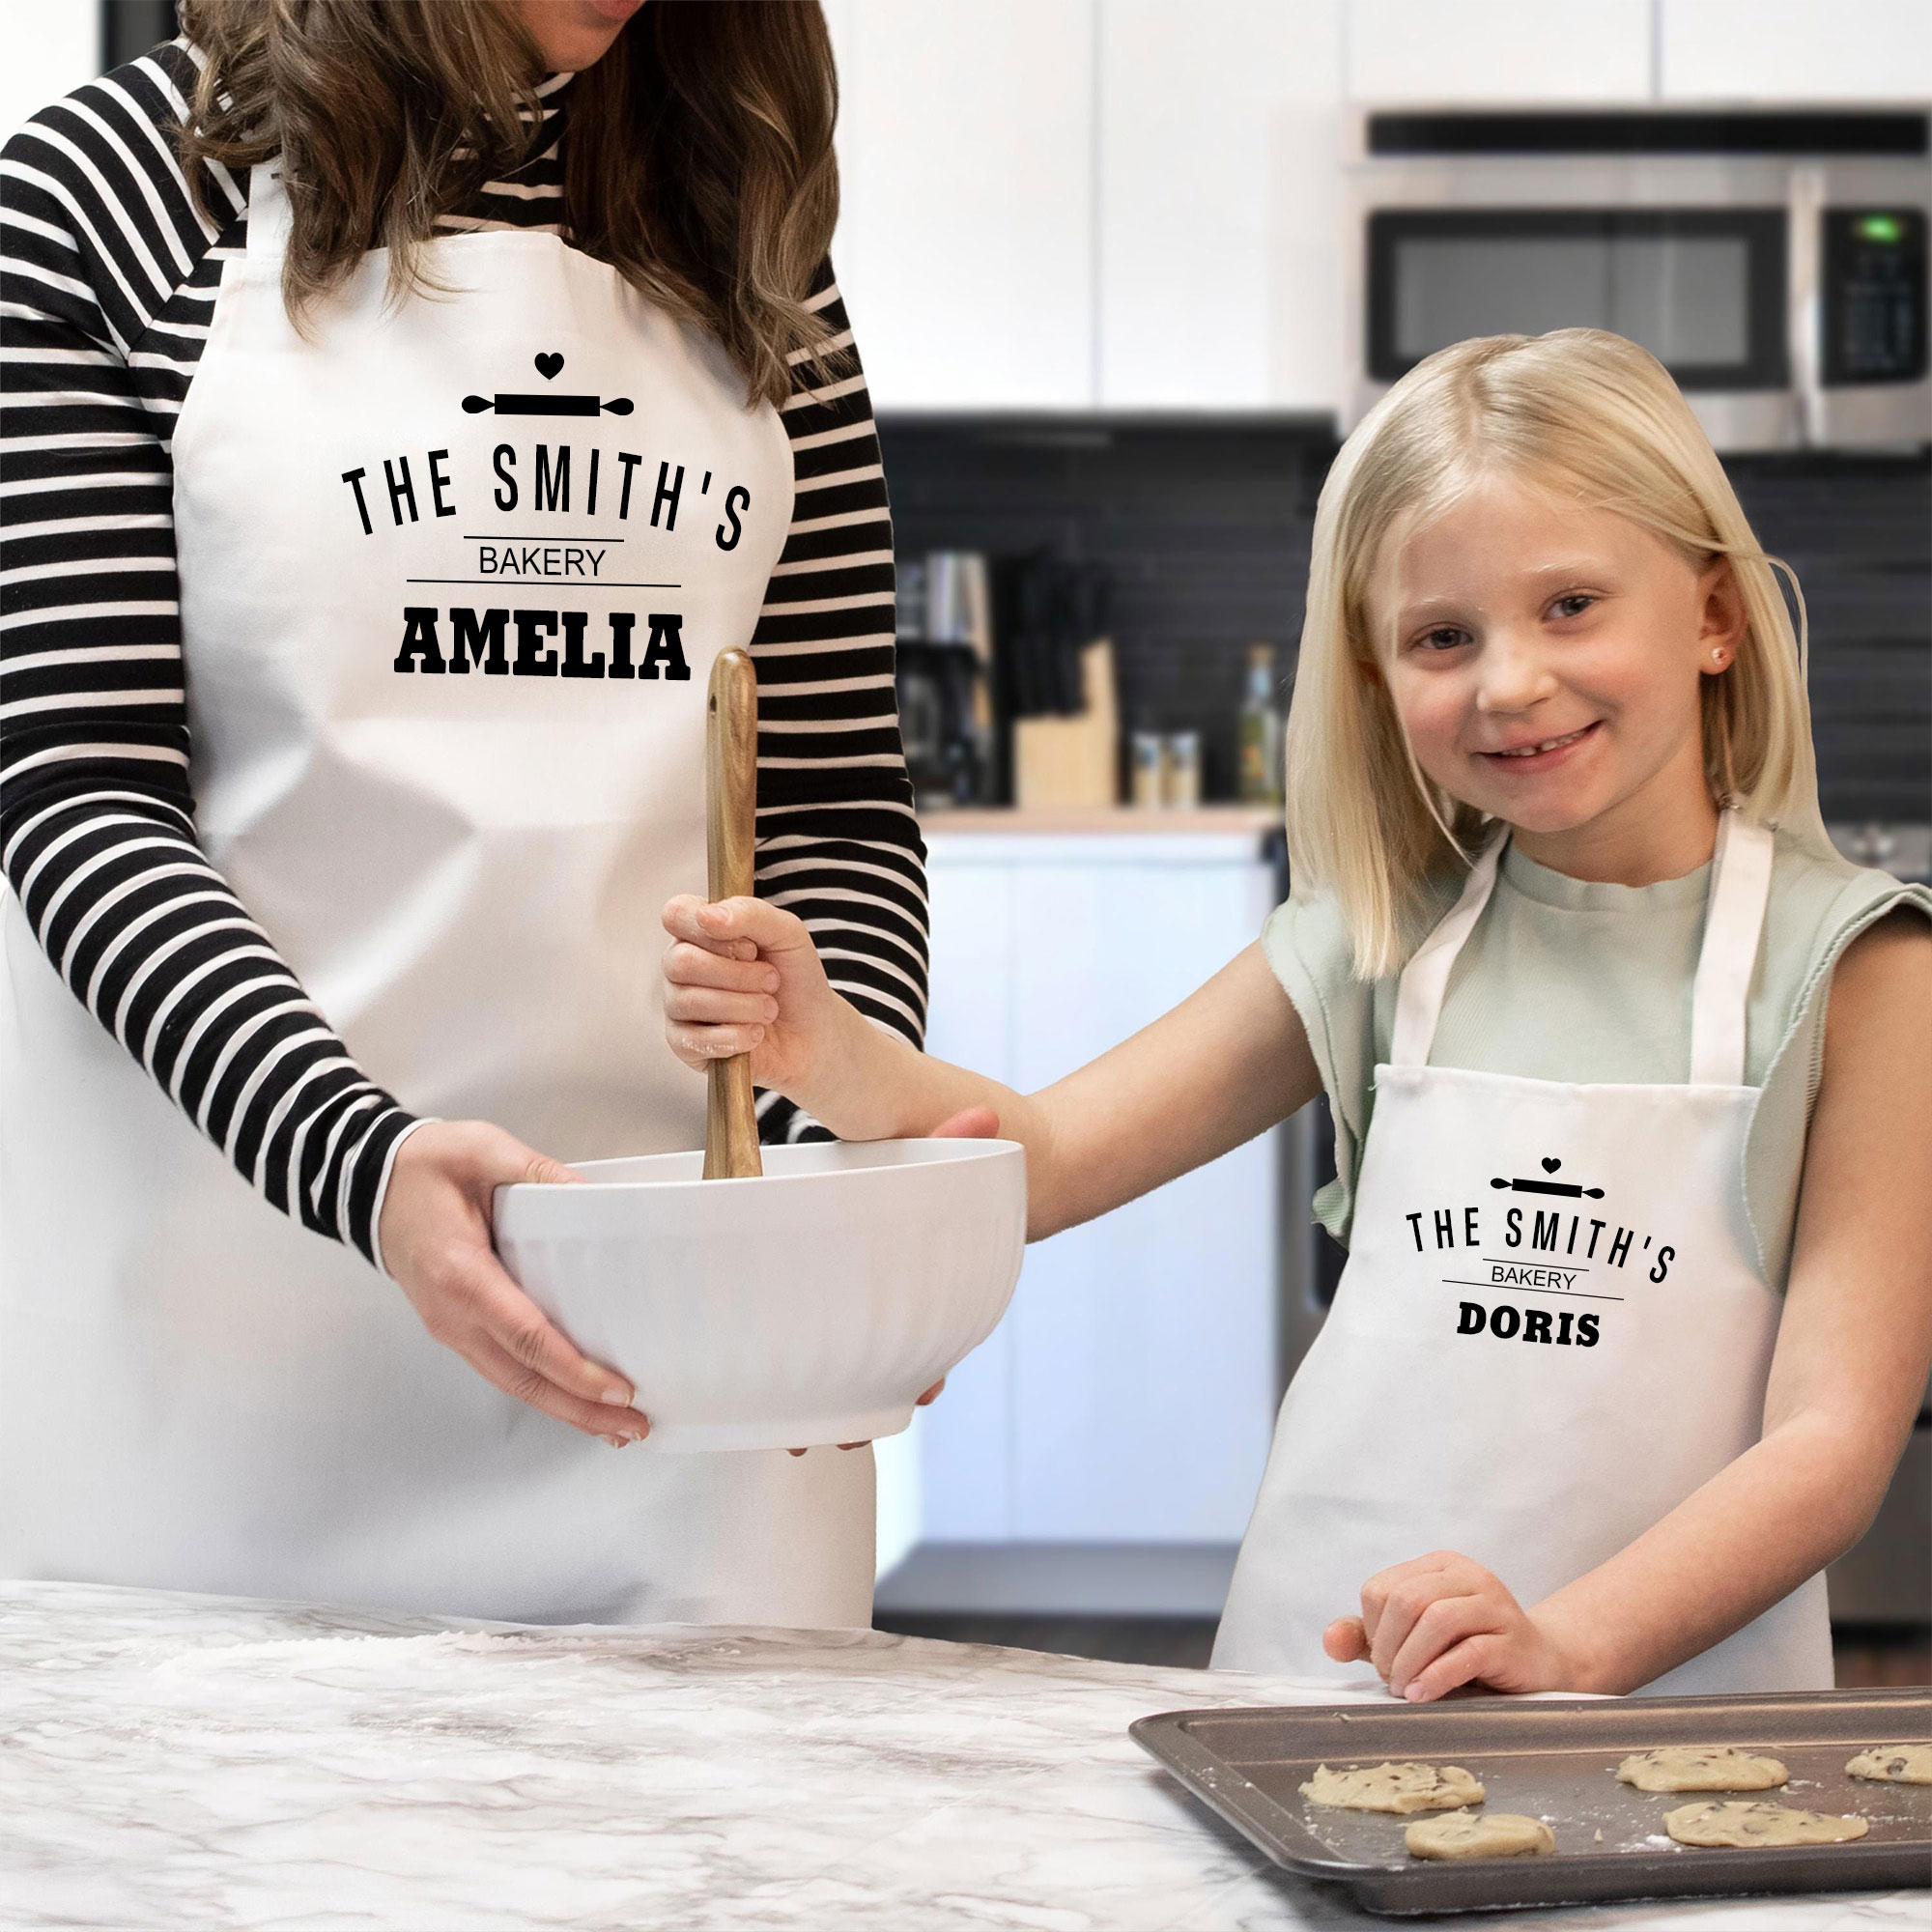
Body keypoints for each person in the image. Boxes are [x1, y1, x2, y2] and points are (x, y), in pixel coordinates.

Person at [663, 328, 1932, 1696]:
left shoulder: (1858, 971)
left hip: (1663, 1707)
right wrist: (820, 1047)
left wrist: (1569, 1647)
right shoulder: (1378, 939)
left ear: (1713, 616)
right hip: (1327, 1676)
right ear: (1380, 682)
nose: (1508, 680)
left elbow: (1830, 1441)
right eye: (1444, 636)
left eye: (1571, 605)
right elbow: (1044, 1156)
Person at [0, 0, 929, 1627]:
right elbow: (83, 795)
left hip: (683, 1383)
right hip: (227, 1359)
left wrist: (800, 1214)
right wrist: (365, 1165)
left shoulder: (743, 218)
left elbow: (837, 807)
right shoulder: (98, 198)